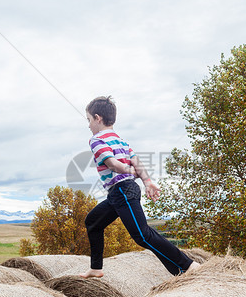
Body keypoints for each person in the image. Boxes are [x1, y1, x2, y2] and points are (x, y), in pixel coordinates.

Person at [80, 96, 200, 278]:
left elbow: (112, 164)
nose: (88, 125)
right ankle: (96, 268)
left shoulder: (96, 139)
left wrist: (129, 171)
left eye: (88, 120)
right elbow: (137, 161)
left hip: (122, 190)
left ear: (98, 118)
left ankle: (188, 265)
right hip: (119, 192)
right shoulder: (121, 141)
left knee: (142, 236)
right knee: (93, 222)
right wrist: (147, 181)